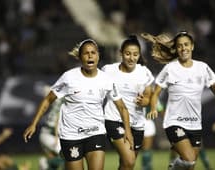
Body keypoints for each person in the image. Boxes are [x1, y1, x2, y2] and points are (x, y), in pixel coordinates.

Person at [23, 39, 134, 170]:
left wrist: (128, 131)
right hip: (71, 135)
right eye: (86, 53)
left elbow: (122, 107)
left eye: (93, 52)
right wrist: (33, 124)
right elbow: (48, 99)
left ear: (98, 56)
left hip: (95, 133)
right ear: (80, 57)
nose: (90, 55)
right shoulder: (69, 77)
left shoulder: (106, 80)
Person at [142, 31, 215, 170]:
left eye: (186, 44)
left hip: (195, 123)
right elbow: (155, 93)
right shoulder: (170, 68)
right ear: (176, 49)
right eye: (180, 46)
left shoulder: (203, 67)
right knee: (189, 159)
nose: (183, 48)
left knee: (189, 166)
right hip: (174, 122)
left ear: (192, 46)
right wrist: (154, 107)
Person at [102, 35, 154, 170]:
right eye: (128, 54)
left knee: (126, 165)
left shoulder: (144, 72)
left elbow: (149, 97)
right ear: (121, 53)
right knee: (129, 160)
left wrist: (145, 102)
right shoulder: (108, 70)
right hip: (114, 120)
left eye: (135, 54)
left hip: (137, 123)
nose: (131, 58)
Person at [38, 87, 64, 170]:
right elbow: (57, 121)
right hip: (49, 134)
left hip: (47, 133)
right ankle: (45, 162)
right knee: (65, 155)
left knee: (56, 158)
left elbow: (48, 90)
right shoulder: (63, 103)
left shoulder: (58, 101)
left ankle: (47, 164)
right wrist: (57, 137)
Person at [142, 100, 164, 170]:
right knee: (144, 149)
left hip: (146, 122)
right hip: (137, 123)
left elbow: (160, 109)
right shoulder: (153, 94)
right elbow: (160, 109)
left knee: (146, 149)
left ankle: (146, 168)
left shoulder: (153, 95)